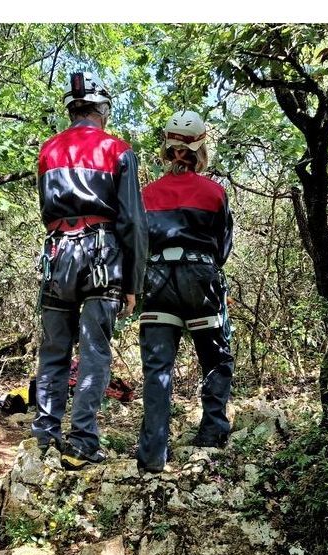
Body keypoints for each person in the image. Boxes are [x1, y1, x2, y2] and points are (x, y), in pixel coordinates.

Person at [33, 72, 147, 470]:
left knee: (53, 350)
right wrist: (133, 282)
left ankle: (45, 435)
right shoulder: (118, 150)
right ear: (102, 110)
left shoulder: (48, 151)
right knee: (95, 351)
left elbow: (45, 208)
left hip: (57, 254)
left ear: (71, 110)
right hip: (103, 256)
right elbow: (133, 220)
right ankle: (82, 439)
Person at [136, 110, 234, 474]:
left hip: (157, 280)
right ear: (200, 148)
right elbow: (223, 248)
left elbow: (137, 243)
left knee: (158, 369)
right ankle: (211, 433)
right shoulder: (215, 193)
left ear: (167, 148)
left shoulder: (146, 195)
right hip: (200, 278)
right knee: (215, 356)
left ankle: (152, 454)